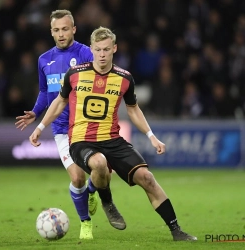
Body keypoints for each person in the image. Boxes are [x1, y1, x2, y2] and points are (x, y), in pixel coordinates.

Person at [29, 26, 197, 241]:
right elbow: (59, 102)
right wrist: (40, 128)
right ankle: (107, 201)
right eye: (97, 49)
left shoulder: (124, 78)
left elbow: (133, 109)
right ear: (91, 49)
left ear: (114, 49)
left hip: (113, 140)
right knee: (98, 163)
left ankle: (176, 230)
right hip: (81, 140)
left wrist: (151, 136)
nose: (101, 54)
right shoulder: (75, 74)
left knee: (147, 178)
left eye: (106, 49)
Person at [15, 10, 125, 240]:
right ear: (51, 32)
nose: (61, 34)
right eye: (56, 30)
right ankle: (86, 223)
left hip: (88, 126)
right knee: (77, 179)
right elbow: (46, 92)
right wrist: (35, 113)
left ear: (74, 29)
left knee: (102, 172)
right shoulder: (44, 59)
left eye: (65, 29)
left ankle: (93, 192)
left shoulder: (87, 53)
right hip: (62, 129)